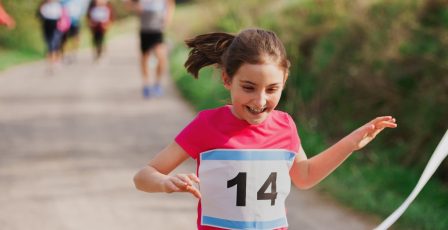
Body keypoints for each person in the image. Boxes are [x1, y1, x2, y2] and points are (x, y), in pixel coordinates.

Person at [133, 28, 398, 230]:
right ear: (227, 79)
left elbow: (304, 176)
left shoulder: (285, 125)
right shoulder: (206, 125)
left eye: (272, 90)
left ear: (284, 81)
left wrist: (351, 143)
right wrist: (165, 183)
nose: (260, 101)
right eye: (248, 87)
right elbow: (144, 176)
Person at [126, 0, 175, 98]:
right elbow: (127, 3)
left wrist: (168, 19)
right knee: (145, 57)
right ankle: (146, 85)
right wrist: (136, 7)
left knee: (161, 56)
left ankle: (157, 84)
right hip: (145, 29)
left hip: (158, 29)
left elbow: (170, 4)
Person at [37, 0, 65, 73]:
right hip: (47, 28)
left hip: (56, 28)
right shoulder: (43, 6)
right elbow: (39, 16)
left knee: (54, 45)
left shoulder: (59, 6)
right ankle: (50, 63)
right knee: (49, 45)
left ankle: (54, 62)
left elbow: (62, 18)